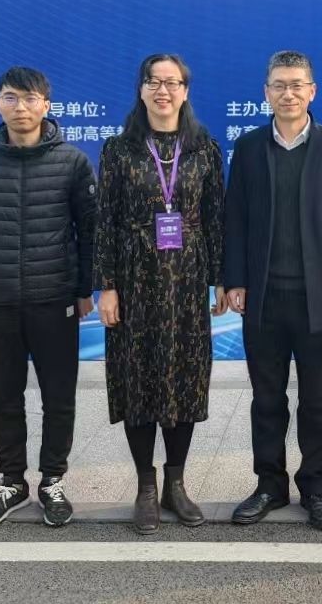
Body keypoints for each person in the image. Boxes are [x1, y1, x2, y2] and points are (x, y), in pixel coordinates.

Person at [224, 51, 322, 531]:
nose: (288, 93)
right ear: (266, 92)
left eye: (297, 84)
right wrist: (234, 279)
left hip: (317, 296)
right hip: (262, 296)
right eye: (279, 85)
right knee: (267, 397)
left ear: (312, 91)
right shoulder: (248, 148)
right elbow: (235, 218)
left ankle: (316, 488)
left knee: (318, 398)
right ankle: (269, 485)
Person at [0, 67, 97, 530]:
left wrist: (83, 289)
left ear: (46, 105)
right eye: (10, 98)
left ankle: (52, 479)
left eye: (30, 98)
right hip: (0, 301)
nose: (21, 107)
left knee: (58, 397)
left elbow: (89, 231)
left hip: (54, 298)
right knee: (4, 397)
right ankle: (12, 481)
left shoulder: (72, 162)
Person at [94, 53, 226, 534]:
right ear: (142, 90)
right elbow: (105, 221)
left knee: (184, 377)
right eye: (154, 81)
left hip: (187, 280)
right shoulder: (119, 149)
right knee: (138, 378)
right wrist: (107, 286)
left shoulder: (204, 148)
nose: (163, 90)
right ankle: (146, 487)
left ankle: (176, 482)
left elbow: (215, 218)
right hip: (135, 278)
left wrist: (220, 279)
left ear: (185, 91)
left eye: (172, 82)